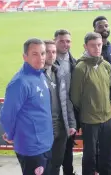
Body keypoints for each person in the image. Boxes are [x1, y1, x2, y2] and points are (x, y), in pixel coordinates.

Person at [0, 38, 53, 175]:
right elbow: (7, 115)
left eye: (42, 53)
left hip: (46, 143)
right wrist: (10, 134)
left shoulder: (40, 75)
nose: (40, 58)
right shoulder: (20, 83)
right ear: (25, 57)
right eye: (34, 54)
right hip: (32, 148)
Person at [70, 32, 111, 175]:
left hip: (107, 118)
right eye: (93, 45)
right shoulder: (80, 68)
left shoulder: (106, 65)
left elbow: (108, 91)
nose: (97, 48)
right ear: (85, 46)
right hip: (90, 121)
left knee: (107, 154)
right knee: (90, 155)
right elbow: (75, 98)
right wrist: (89, 109)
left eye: (99, 45)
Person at [43, 40, 77, 175]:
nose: (51, 55)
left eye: (53, 52)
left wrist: (72, 123)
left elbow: (66, 100)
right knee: (44, 166)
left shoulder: (59, 73)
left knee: (56, 164)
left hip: (61, 128)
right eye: (47, 52)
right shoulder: (37, 76)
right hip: (45, 130)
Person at [92, 15, 111, 168]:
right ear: (94, 29)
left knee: (107, 132)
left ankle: (107, 157)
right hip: (96, 98)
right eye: (100, 27)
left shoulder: (110, 47)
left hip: (108, 95)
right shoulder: (94, 48)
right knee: (97, 133)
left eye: (106, 26)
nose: (104, 29)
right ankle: (97, 162)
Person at [53, 29, 79, 175]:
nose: (65, 44)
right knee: (55, 150)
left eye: (68, 41)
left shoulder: (73, 62)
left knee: (68, 146)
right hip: (55, 114)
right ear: (55, 41)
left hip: (70, 113)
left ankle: (68, 172)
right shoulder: (48, 63)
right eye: (61, 41)